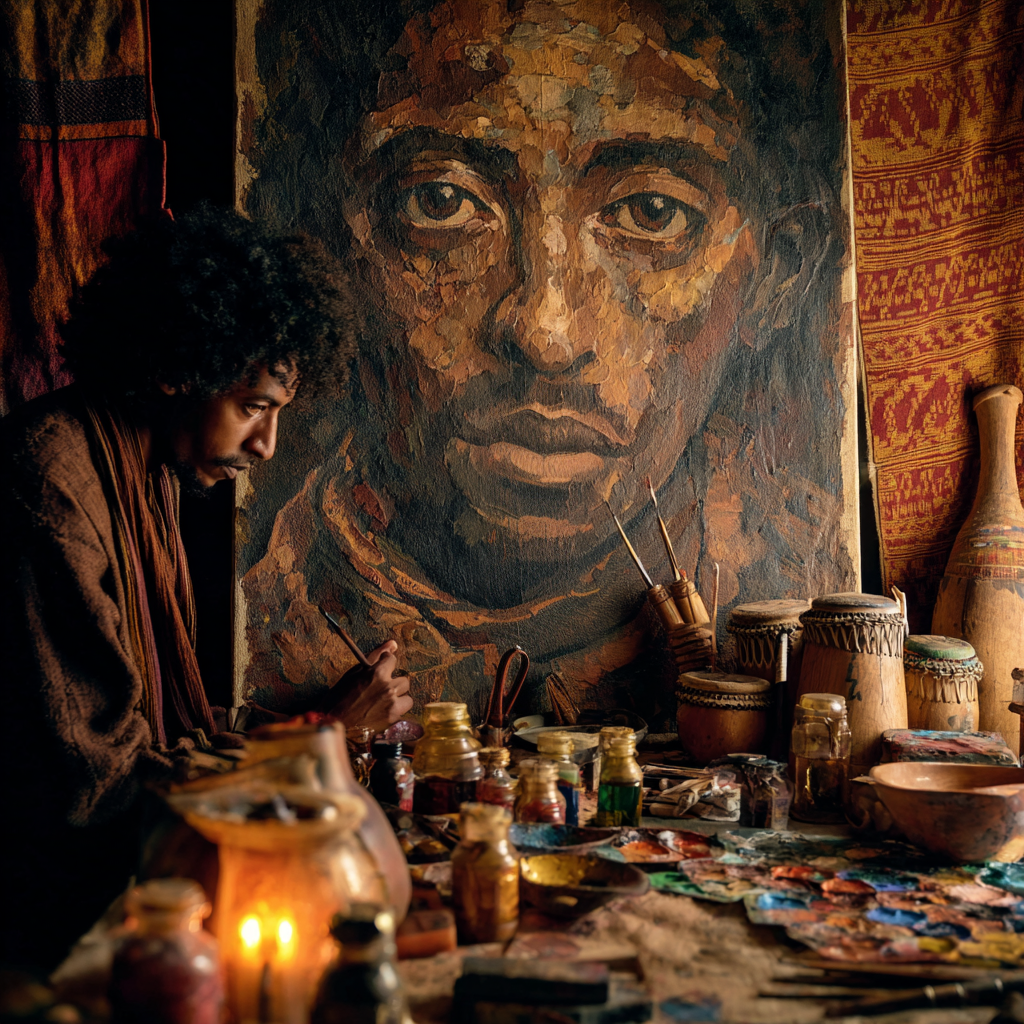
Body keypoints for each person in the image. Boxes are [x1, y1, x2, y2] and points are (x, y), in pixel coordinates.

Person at [240, 0, 855, 722]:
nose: (544, 332)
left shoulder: (806, 615)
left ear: (777, 276)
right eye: (441, 202)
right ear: (338, 250)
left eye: (651, 213)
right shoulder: (260, 620)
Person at [0, 205, 411, 967]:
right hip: (43, 921)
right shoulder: (50, 486)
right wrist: (323, 740)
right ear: (175, 372)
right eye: (253, 408)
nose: (266, 444)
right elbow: (93, 786)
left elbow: (162, 744)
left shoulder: (145, 471)